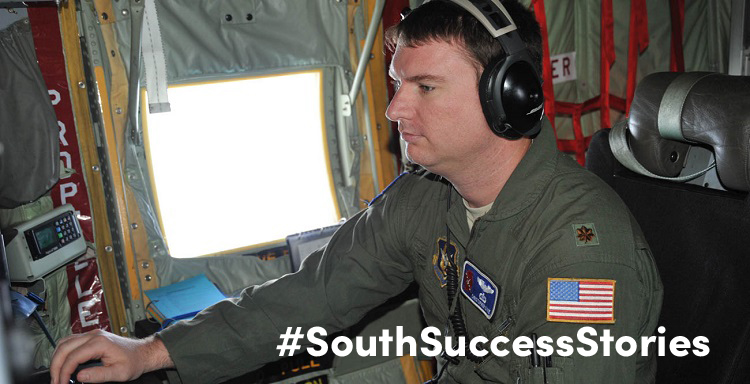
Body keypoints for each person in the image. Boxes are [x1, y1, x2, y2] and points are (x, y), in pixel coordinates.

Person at [50, 0, 663, 383]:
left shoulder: (583, 252)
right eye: (397, 84)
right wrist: (154, 351)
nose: (396, 108)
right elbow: (314, 294)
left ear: (509, 98)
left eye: (424, 87)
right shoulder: (427, 195)